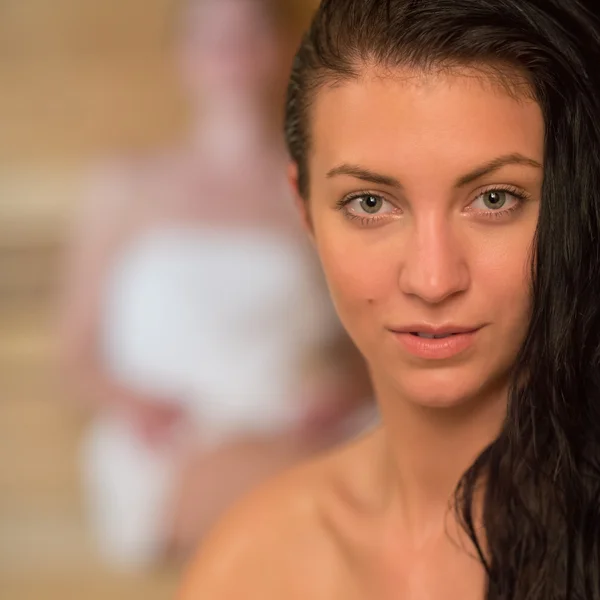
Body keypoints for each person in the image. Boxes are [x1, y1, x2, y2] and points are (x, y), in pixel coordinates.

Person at [179, 0, 600, 598]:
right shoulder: (251, 564)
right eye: (370, 204)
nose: (432, 280)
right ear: (303, 208)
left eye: (495, 199)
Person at [59, 0, 371, 569]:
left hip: (296, 426)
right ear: (182, 54)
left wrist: (343, 389)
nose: (230, 46)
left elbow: (365, 338)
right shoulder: (125, 188)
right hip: (166, 442)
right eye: (211, 32)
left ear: (282, 52)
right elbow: (75, 354)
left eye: (249, 30)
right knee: (315, 505)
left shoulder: (322, 189)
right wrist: (135, 405)